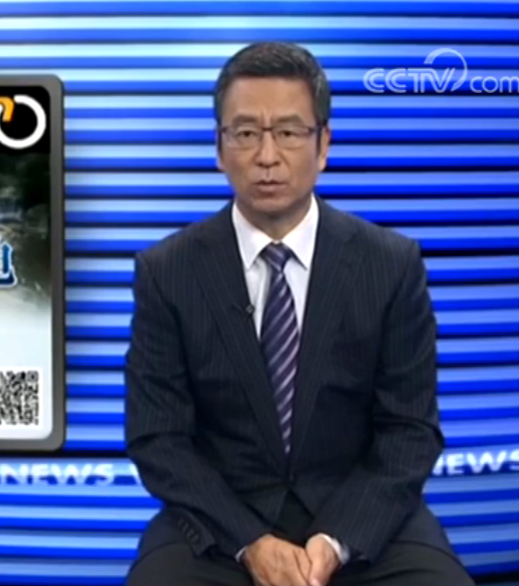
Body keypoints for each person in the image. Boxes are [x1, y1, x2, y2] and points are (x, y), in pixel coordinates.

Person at [123, 42, 476, 586]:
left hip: (362, 517)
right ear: (219, 148)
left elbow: (409, 431)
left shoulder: (390, 264)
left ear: (323, 144)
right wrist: (251, 542)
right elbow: (158, 438)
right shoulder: (168, 271)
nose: (267, 156)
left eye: (288, 132)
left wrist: (336, 541)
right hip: (222, 523)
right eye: (245, 133)